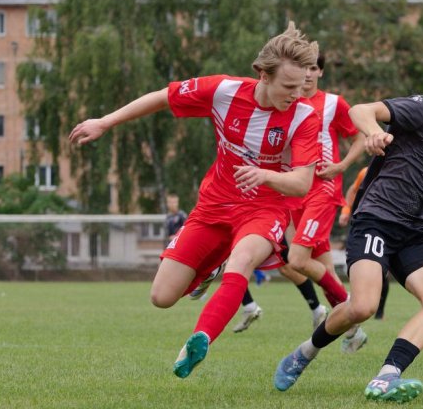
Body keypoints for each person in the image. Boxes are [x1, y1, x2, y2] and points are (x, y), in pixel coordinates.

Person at [68, 22, 321, 379]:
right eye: (289, 86)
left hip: (265, 209)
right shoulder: (224, 91)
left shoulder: (304, 116)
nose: (297, 94)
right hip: (214, 206)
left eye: (301, 86)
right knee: (162, 296)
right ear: (263, 75)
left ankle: (199, 339)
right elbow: (163, 96)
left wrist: (265, 176)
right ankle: (210, 267)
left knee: (242, 260)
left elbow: (301, 184)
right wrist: (106, 122)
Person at [274, 52, 423, 403]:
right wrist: (373, 133)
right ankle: (305, 352)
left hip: (416, 232)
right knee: (363, 307)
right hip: (377, 220)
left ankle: (387, 377)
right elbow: (361, 111)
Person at [232, 53, 367, 350]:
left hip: (322, 191)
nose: (307, 74)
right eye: (303, 68)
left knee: (297, 260)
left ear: (320, 72)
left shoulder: (333, 103)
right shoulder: (284, 103)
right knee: (320, 269)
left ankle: (349, 312)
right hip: (292, 193)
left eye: (313, 68)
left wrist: (341, 166)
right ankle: (353, 329)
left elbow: (359, 137)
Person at [339, 166, 389, 320]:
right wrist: (346, 211)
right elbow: (353, 190)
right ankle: (354, 302)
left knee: (383, 272)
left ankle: (379, 312)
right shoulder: (366, 172)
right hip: (363, 223)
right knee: (359, 266)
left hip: (386, 226)